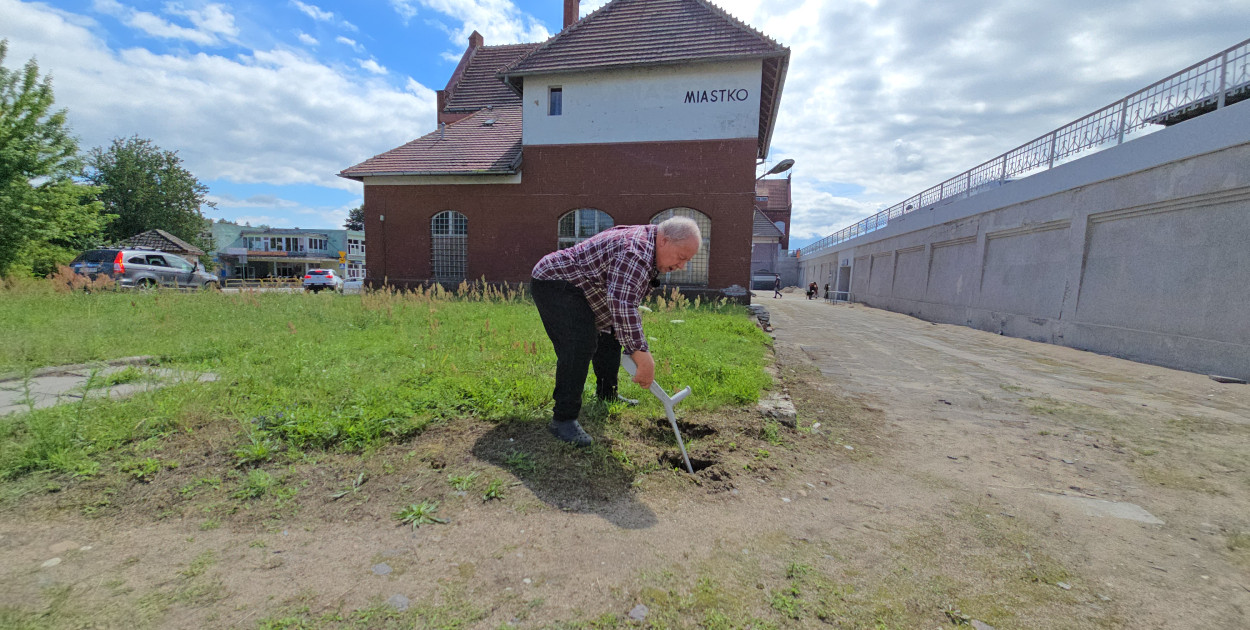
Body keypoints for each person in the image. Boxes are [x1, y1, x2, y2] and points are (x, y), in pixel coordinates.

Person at [531, 217, 702, 446]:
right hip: (556, 282)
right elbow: (623, 304)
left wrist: (633, 344)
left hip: (587, 289)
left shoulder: (649, 245)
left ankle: (607, 393)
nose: (682, 266)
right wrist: (643, 356)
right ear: (665, 241)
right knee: (579, 342)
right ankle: (563, 419)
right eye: (681, 258)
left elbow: (619, 307)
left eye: (687, 261)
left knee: (611, 334)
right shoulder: (636, 252)